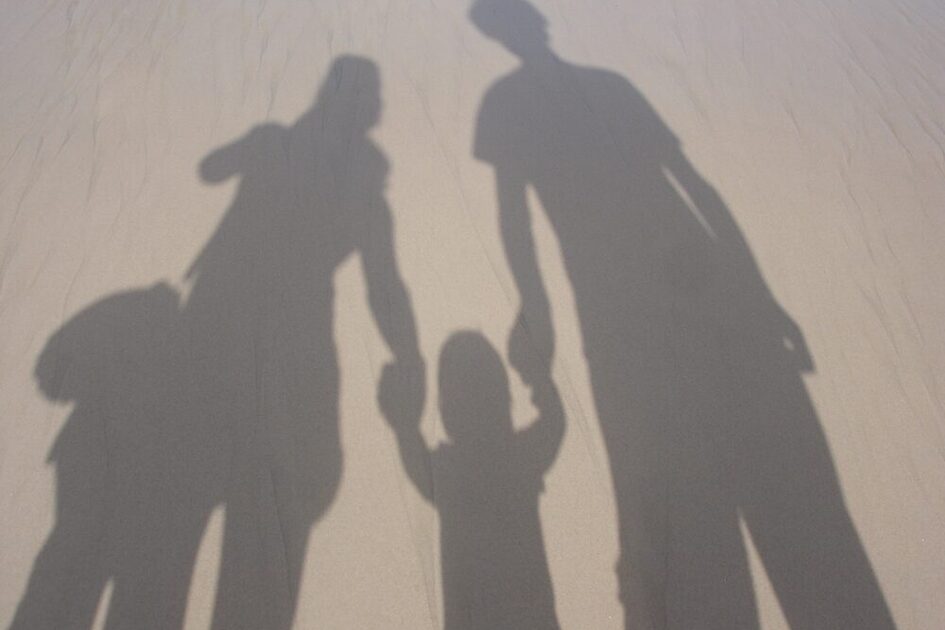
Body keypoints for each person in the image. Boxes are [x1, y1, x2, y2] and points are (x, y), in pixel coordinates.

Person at [470, 1, 896, 627]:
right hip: (639, 322)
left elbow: (690, 187)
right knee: (705, 533)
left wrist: (759, 296)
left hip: (689, 310)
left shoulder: (592, 90)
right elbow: (519, 220)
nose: (523, 26)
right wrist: (538, 313)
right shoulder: (528, 101)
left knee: (781, 515)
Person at [187, 55, 424, 630]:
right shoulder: (361, 186)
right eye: (370, 95)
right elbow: (383, 283)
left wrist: (259, 146)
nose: (377, 107)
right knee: (278, 493)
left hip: (233, 318)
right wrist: (409, 355)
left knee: (240, 494)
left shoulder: (329, 170)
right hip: (273, 327)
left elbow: (211, 169)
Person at [380, 331, 564, 629]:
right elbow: (555, 421)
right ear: (505, 400)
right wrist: (537, 375)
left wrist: (403, 421)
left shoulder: (447, 471)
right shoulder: (522, 457)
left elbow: (414, 458)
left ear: (446, 409)